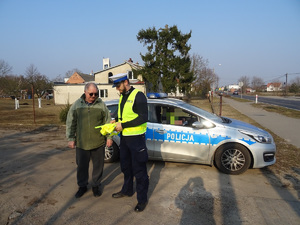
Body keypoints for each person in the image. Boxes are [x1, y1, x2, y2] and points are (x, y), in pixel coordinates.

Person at [110, 73, 149, 212]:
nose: (117, 89)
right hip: (125, 139)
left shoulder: (138, 96)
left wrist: (124, 125)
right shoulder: (123, 96)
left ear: (126, 82)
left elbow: (144, 118)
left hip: (137, 139)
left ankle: (142, 200)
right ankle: (127, 190)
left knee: (139, 171)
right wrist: (116, 120)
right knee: (126, 167)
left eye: (118, 85)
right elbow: (123, 115)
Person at [66, 82, 113, 198]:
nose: (93, 96)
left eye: (95, 94)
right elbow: (71, 122)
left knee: (98, 166)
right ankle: (82, 186)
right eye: (91, 94)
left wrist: (109, 137)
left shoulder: (101, 105)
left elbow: (108, 122)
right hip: (82, 143)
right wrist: (71, 138)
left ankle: (96, 186)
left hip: (98, 142)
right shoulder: (77, 105)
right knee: (82, 167)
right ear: (85, 92)